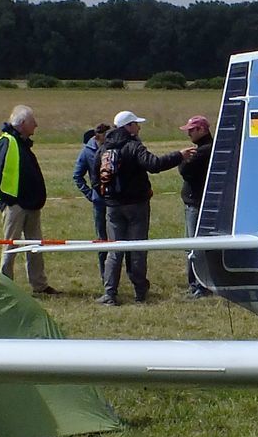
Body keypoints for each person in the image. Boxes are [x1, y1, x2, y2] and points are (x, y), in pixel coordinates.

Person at [96, 109, 194, 305]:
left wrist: (106, 197)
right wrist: (179, 156)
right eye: (136, 124)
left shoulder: (103, 148)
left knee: (115, 251)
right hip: (137, 206)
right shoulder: (134, 146)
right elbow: (154, 164)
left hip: (113, 207)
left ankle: (109, 294)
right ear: (128, 127)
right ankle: (140, 292)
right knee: (138, 249)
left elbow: (94, 176)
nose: (139, 127)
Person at [0, 104, 58, 295]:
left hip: (32, 204)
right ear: (22, 123)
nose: (36, 125)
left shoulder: (22, 144)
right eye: (32, 121)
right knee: (10, 246)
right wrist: (9, 200)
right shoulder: (6, 142)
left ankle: (40, 284)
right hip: (16, 206)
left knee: (35, 246)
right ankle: (4, 285)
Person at [176, 114, 214, 297]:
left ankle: (198, 285)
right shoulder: (209, 149)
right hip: (198, 203)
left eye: (191, 130)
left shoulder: (203, 151)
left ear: (202, 130)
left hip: (197, 204)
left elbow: (185, 171)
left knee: (194, 246)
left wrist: (182, 159)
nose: (188, 134)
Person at [72, 122, 111, 282]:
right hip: (99, 202)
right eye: (106, 136)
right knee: (102, 240)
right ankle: (104, 276)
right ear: (97, 137)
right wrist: (91, 194)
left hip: (116, 201)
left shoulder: (111, 148)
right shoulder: (87, 151)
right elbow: (77, 176)